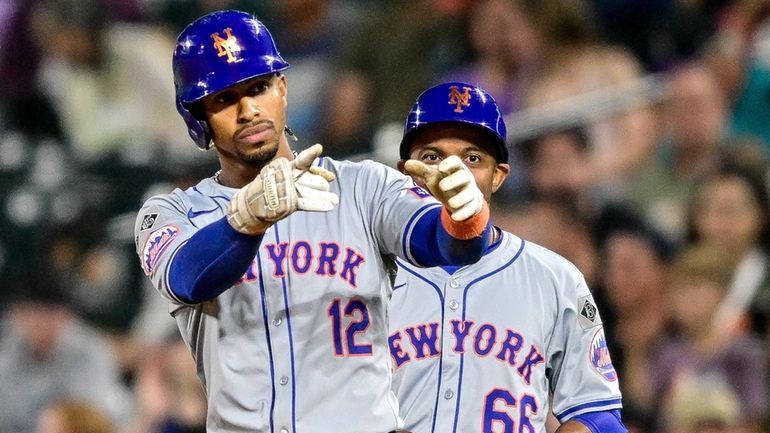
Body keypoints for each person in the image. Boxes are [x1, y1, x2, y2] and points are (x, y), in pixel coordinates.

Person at [134, 10, 494, 433]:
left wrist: (465, 215)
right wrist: (245, 219)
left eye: (260, 87)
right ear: (198, 119)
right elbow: (186, 278)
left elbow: (445, 244)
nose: (249, 110)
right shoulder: (172, 213)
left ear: (282, 88)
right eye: (225, 99)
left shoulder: (364, 186)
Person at [388, 82, 627, 433]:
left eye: (472, 159)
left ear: (498, 176)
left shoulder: (554, 278)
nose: (452, 173)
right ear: (405, 171)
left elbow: (598, 414)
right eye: (432, 157)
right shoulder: (365, 275)